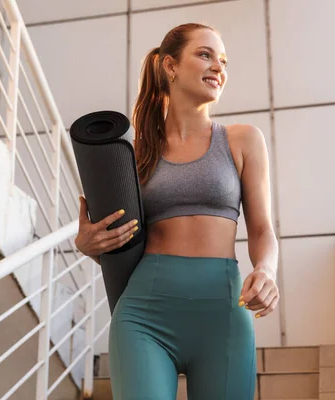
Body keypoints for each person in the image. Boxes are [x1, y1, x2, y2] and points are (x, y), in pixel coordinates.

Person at [75, 22, 279, 400]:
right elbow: (117, 239)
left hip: (223, 314)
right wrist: (90, 245)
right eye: (205, 55)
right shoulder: (133, 154)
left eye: (223, 61)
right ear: (170, 66)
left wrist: (266, 270)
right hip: (144, 315)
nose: (218, 67)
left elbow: (263, 229)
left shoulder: (243, 140)